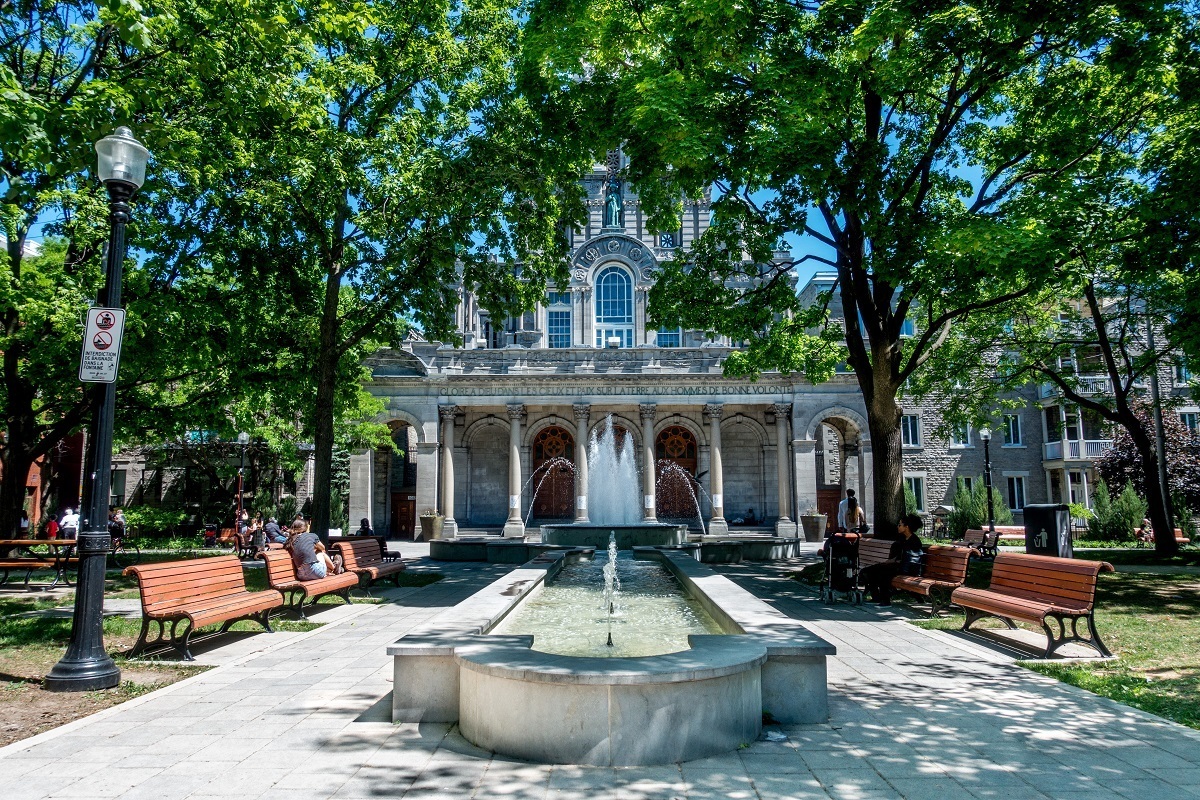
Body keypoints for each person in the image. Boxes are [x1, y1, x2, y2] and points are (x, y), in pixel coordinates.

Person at [858, 513, 924, 606]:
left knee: (883, 573)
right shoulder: (902, 538)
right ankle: (876, 597)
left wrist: (895, 562)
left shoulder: (914, 541)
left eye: (900, 525)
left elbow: (912, 560)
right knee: (870, 570)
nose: (898, 526)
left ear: (906, 527)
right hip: (900, 566)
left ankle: (885, 600)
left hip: (909, 569)